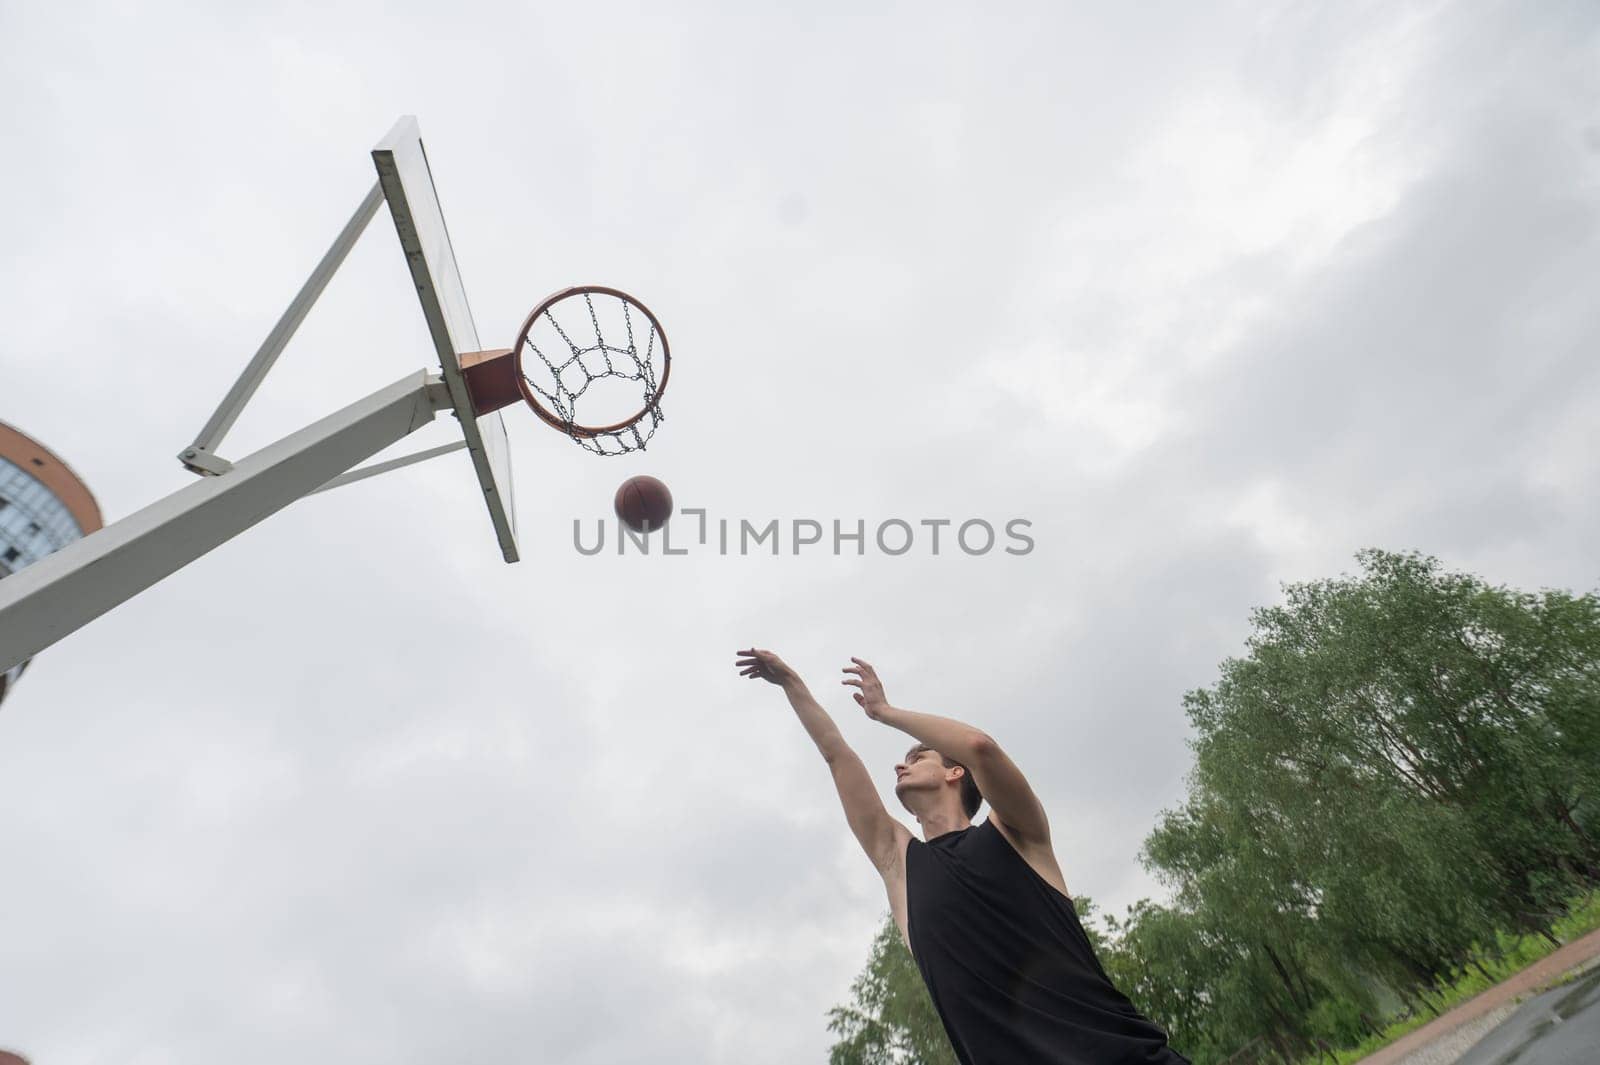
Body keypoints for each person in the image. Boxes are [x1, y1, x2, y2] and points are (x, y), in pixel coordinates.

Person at [735, 648, 1190, 1065]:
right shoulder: (899, 865)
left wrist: (884, 712)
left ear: (956, 773)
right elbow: (837, 757)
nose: (900, 765)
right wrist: (793, 686)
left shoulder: (1016, 833)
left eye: (919, 757)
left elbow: (980, 747)